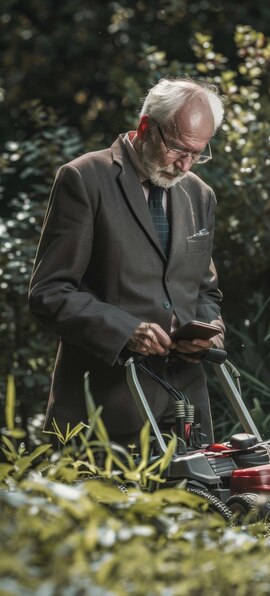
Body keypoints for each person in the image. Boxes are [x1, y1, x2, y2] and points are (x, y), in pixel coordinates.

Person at [28, 76, 225, 447]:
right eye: (179, 150)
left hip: (186, 410)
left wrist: (211, 331)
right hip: (102, 408)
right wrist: (125, 330)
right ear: (147, 126)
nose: (186, 166)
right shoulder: (83, 179)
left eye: (197, 153)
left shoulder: (201, 195)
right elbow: (48, 293)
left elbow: (205, 292)